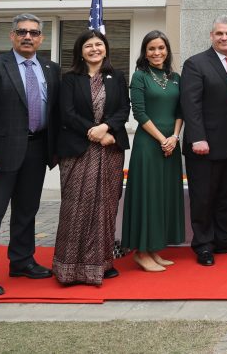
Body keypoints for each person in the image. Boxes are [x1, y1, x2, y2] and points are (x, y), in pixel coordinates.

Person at [0, 14, 60, 297]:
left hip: (37, 149)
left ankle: (21, 260)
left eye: (33, 32)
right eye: (22, 32)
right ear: (12, 36)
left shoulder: (51, 69)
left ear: (42, 38)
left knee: (27, 211)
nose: (27, 37)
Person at [53, 30, 130, 285]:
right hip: (78, 151)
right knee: (75, 207)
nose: (94, 49)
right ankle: (69, 268)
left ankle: (103, 262)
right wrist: (94, 132)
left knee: (106, 208)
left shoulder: (117, 77)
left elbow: (123, 109)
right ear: (80, 51)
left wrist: (107, 128)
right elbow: (66, 113)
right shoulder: (70, 79)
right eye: (88, 45)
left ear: (106, 49)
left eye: (99, 44)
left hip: (110, 151)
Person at [180, 16, 227, 267]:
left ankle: (225, 239)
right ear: (211, 35)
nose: (225, 38)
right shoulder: (195, 64)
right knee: (203, 196)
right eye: (220, 33)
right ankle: (203, 244)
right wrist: (198, 138)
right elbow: (190, 106)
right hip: (205, 145)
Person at [121, 31, 185, 272]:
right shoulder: (139, 77)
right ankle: (141, 252)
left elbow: (181, 110)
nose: (157, 53)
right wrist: (162, 139)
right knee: (148, 195)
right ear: (145, 53)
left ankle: (154, 248)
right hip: (149, 145)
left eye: (161, 48)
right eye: (151, 49)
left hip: (171, 143)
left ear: (167, 50)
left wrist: (174, 138)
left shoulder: (175, 77)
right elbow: (139, 113)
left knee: (163, 195)